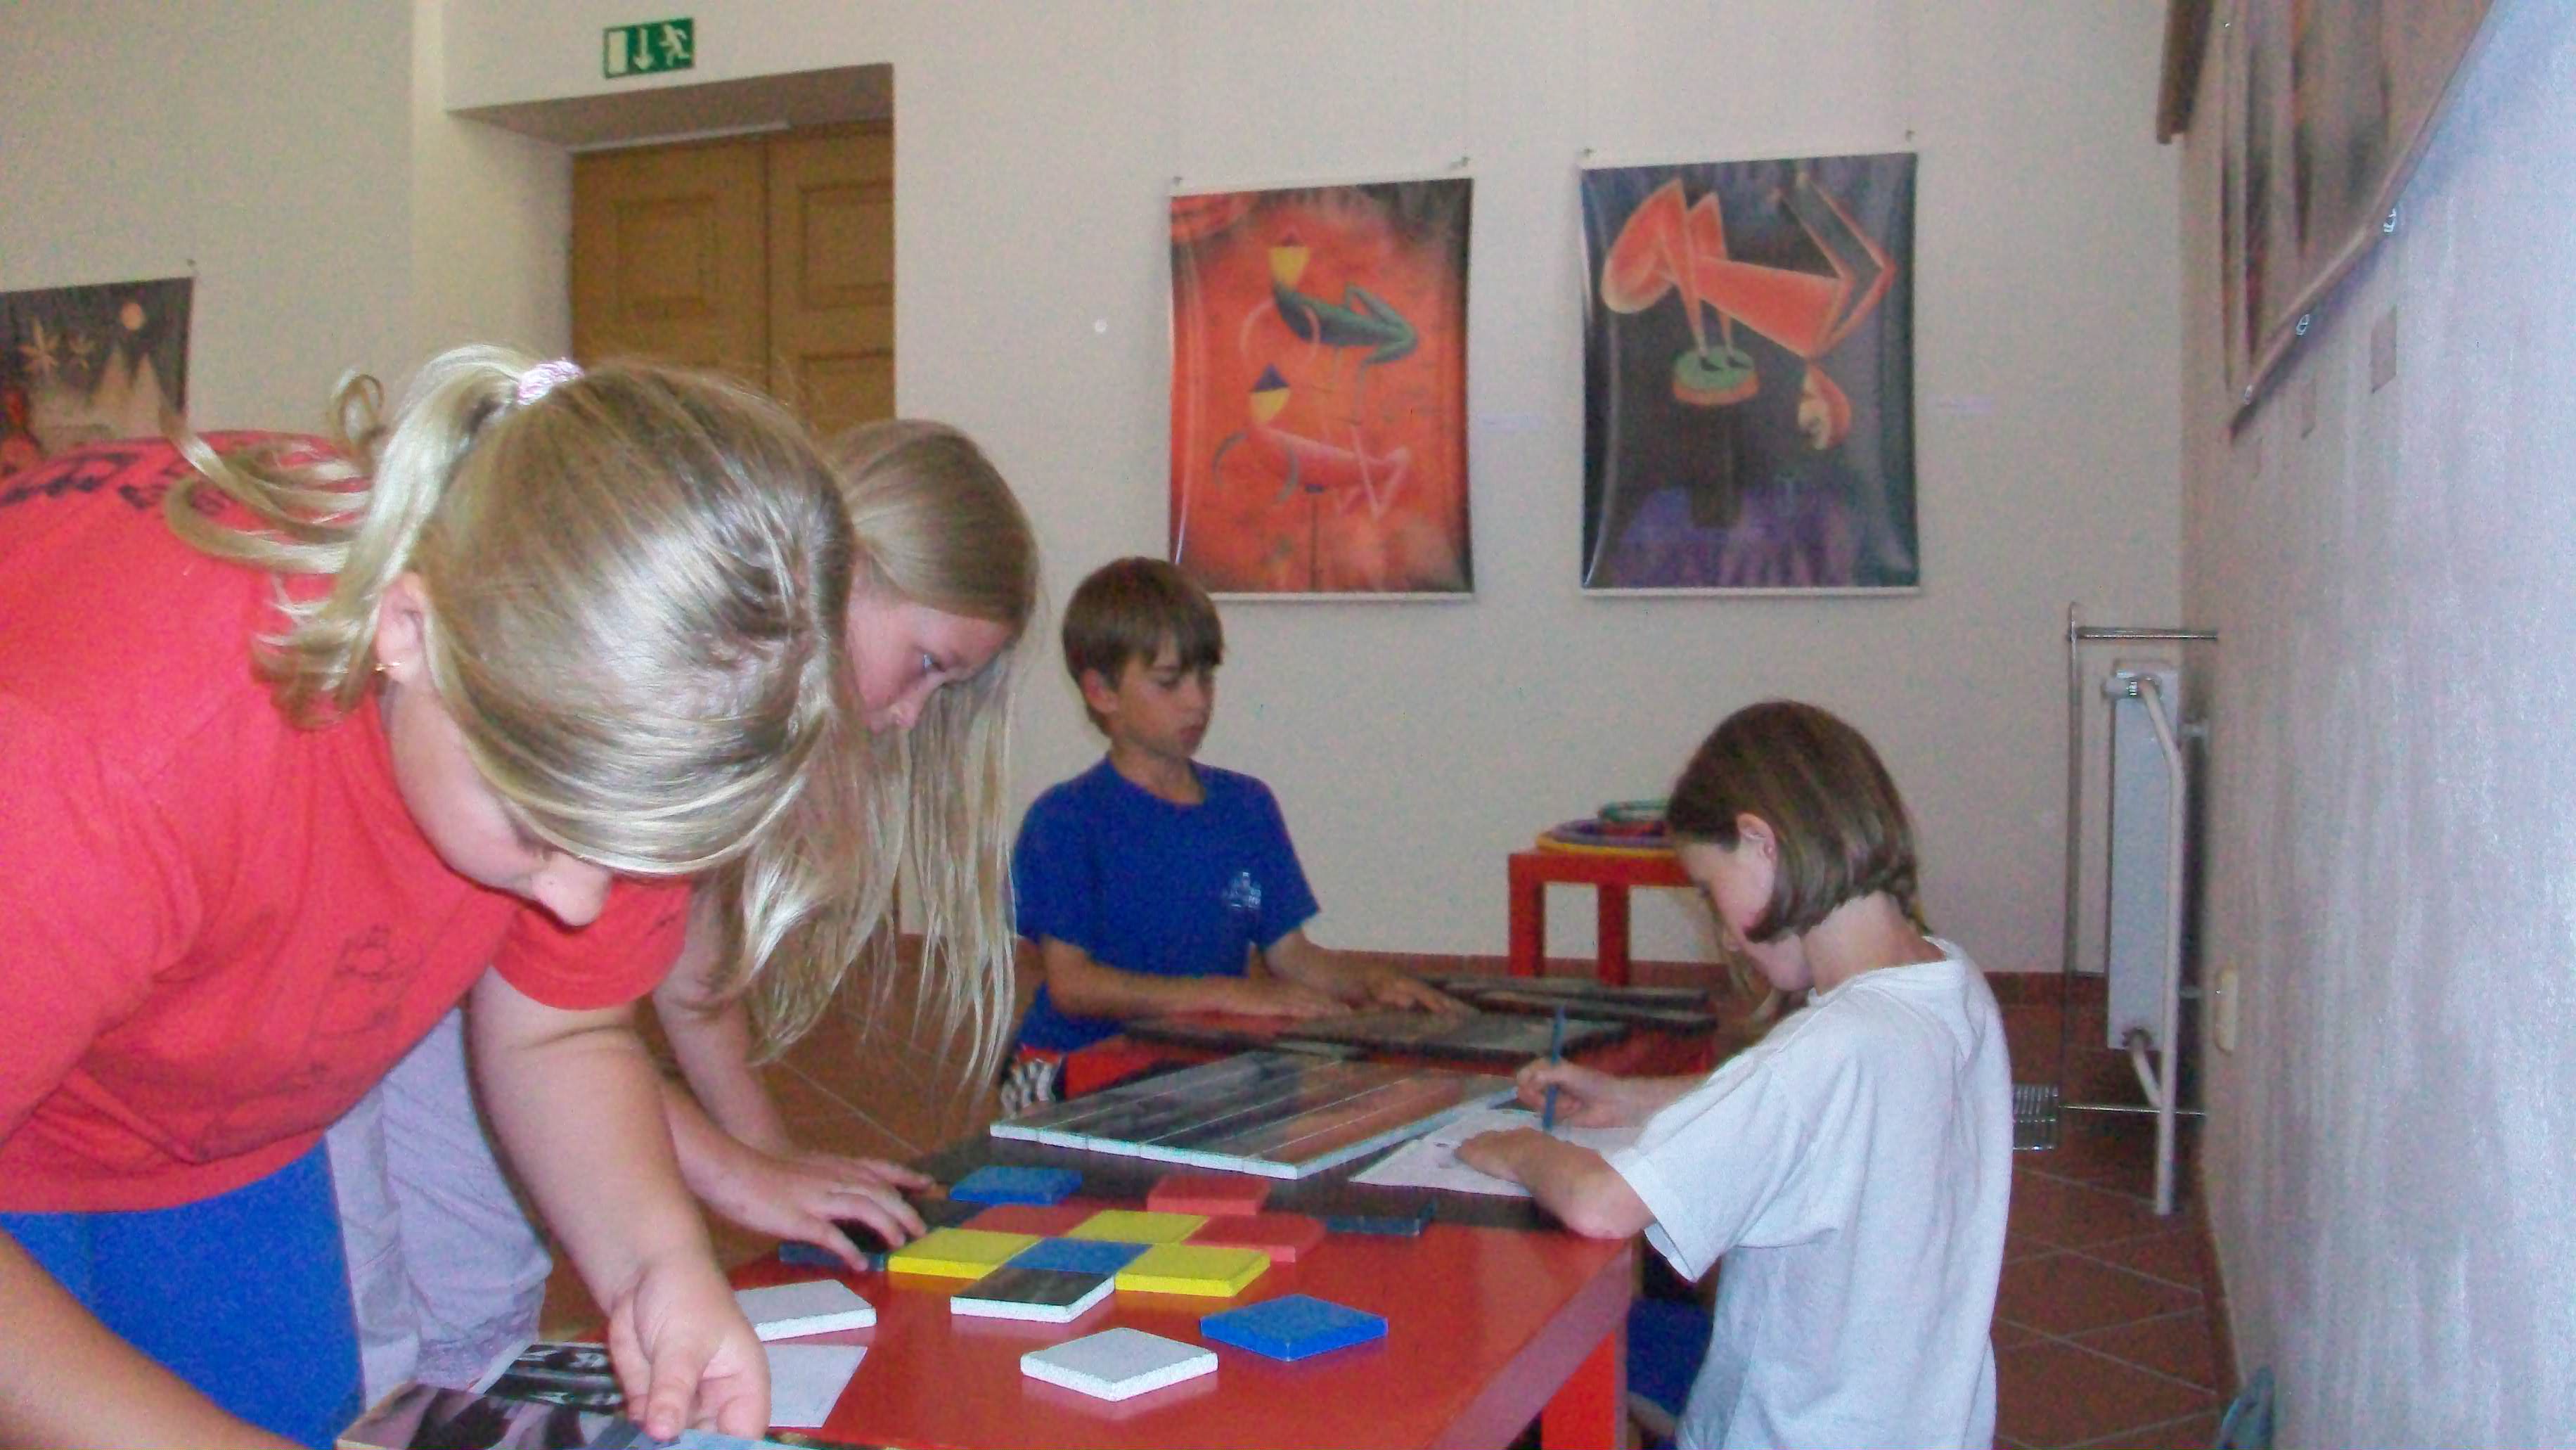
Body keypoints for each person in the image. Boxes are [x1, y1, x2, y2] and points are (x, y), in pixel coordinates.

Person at [0, 347, 880, 1447]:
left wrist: (657, 1263)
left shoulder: (618, 726)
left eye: (623, 858)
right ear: (406, 632)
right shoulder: (114, 753)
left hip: (208, 1122)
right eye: (540, 830)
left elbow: (560, 1031)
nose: (579, 902)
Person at [328, 419, 1040, 1399]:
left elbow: (683, 969)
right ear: (850, 573)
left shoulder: (730, 726)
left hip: (479, 1007)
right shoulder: (677, 698)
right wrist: (731, 1171)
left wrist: (768, 1157)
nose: (915, 715)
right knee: (381, 1313)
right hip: (390, 999)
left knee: (474, 1296)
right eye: (926, 664)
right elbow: (558, 1024)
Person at [1457, 700, 2011, 1450]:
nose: (1722, 934)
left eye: (1709, 890)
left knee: (1549, 1365)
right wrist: (1631, 1098)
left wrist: (1518, 1148)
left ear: (1760, 842)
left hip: (1792, 1433)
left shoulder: (1829, 1047)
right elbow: (1816, 1115)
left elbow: (1600, 1205)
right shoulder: (1949, 982)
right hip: (1924, 1425)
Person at [998, 556, 1458, 1110]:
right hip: (1067, 1067)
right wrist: (1230, 994)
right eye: (1169, 682)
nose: (1197, 701)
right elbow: (1073, 987)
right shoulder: (1064, 820)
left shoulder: (1247, 807)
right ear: (1101, 692)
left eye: (1206, 677)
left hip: (1196, 1062)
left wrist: (1371, 983)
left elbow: (1291, 955)